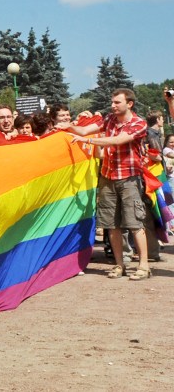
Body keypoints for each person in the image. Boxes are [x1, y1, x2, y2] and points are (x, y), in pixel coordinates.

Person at [61, 88, 152, 280]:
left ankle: (143, 266)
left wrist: (87, 140)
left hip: (129, 179)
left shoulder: (139, 123)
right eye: (112, 102)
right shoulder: (110, 119)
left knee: (135, 223)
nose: (112, 105)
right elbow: (85, 129)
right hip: (108, 177)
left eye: (117, 102)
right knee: (111, 225)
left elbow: (118, 140)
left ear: (129, 104)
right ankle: (120, 265)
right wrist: (67, 127)